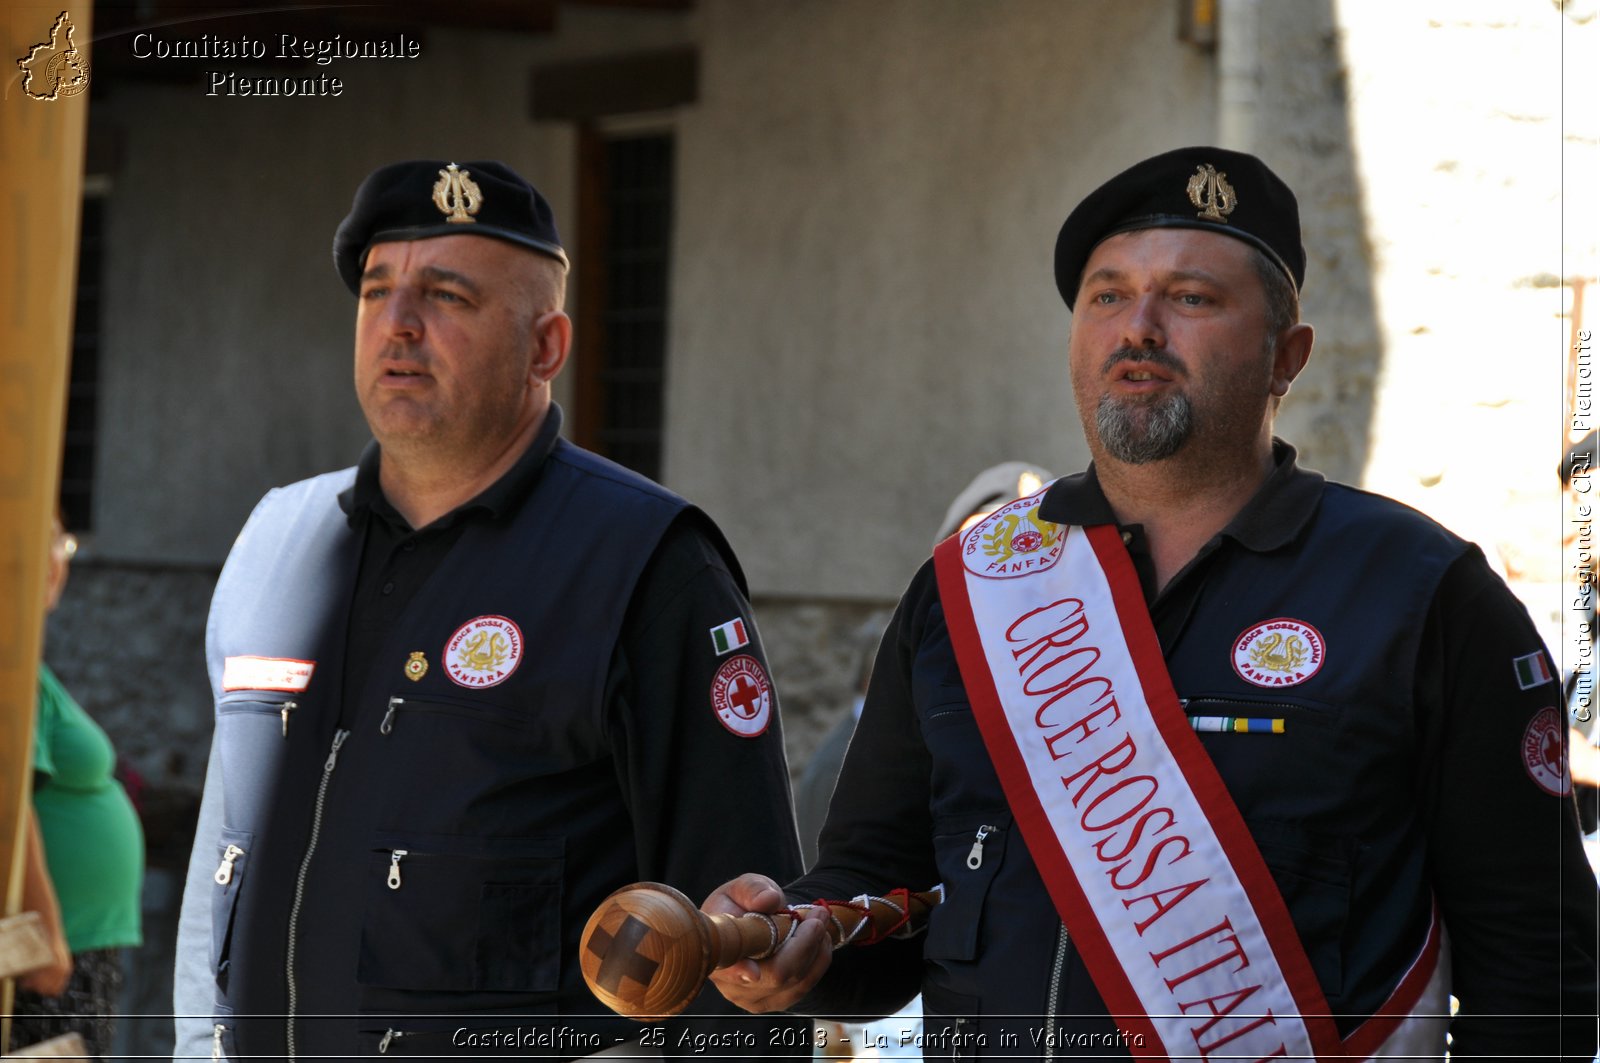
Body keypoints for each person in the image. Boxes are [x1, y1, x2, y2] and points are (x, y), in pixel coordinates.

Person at [703, 147, 1600, 1060]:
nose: (1138, 327)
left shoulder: (1422, 595)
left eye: (1191, 297)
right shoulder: (967, 586)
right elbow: (878, 895)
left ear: (1285, 356)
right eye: (1106, 295)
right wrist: (798, 943)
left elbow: (1539, 970)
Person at [172, 160, 806, 1060]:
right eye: (378, 290)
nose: (398, 324)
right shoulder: (275, 541)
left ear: (545, 347)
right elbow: (218, 865)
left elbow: (743, 951)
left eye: (447, 296)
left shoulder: (649, 565)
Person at [9, 518, 145, 1060]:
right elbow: (9, 803)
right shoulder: (10, 669)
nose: (61, 559)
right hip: (47, 951)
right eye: (55, 541)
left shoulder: (25, 664)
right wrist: (41, 929)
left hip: (73, 941)